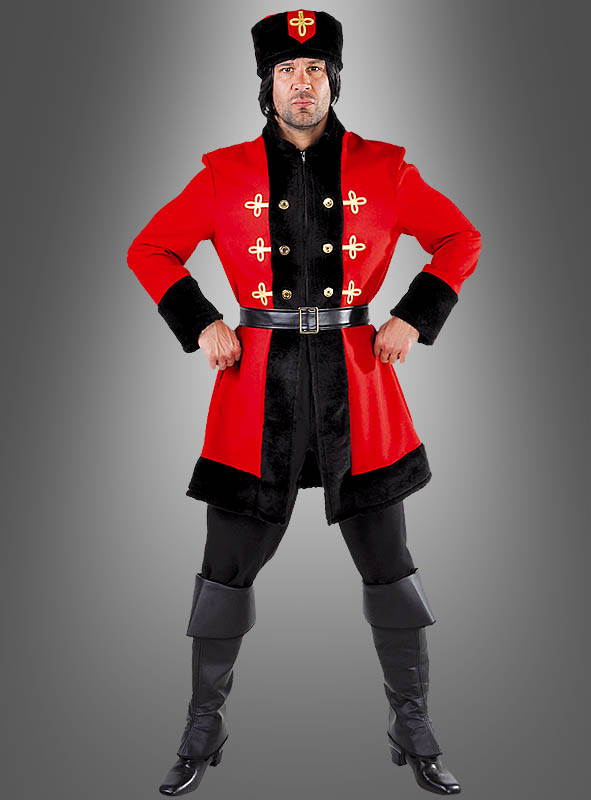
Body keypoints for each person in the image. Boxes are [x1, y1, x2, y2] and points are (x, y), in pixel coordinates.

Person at [127, 9, 481, 796]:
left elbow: (460, 238)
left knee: (389, 566)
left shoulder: (385, 168)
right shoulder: (222, 173)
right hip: (255, 395)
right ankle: (203, 726)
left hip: (360, 391)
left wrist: (412, 317)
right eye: (286, 71)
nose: (301, 84)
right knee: (224, 571)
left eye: (314, 69)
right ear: (266, 84)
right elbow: (149, 248)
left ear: (332, 80)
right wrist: (202, 322)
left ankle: (412, 723)